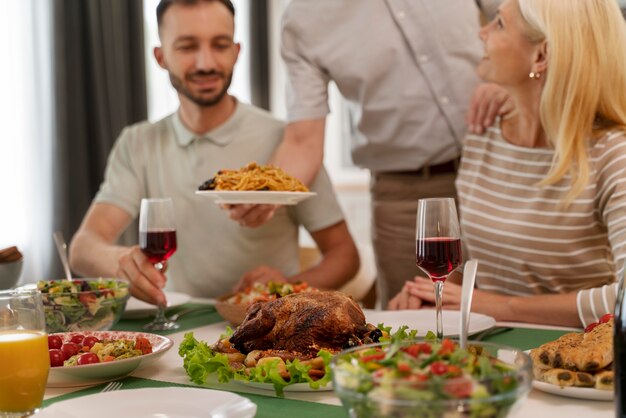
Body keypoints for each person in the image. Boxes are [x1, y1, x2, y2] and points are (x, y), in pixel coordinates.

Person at [69, 0, 359, 306]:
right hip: (175, 326)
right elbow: (83, 247)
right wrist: (121, 261)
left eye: (220, 45)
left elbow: (345, 257)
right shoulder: (137, 143)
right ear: (160, 56)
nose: (206, 63)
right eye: (187, 47)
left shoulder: (288, 142)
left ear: (236, 52)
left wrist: (287, 287)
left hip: (262, 331)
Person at [243, 0, 505, 308]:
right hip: (407, 198)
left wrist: (517, 82)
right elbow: (303, 141)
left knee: (516, 310)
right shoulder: (304, 17)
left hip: (504, 167)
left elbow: (530, 22)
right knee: (418, 322)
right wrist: (267, 193)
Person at [390, 0, 626, 328]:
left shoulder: (614, 156)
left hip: (575, 359)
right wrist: (436, 294)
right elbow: (471, 263)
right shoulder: (484, 133)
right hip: (488, 348)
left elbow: (625, 297)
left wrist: (495, 306)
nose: (481, 32)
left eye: (499, 24)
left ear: (540, 56)